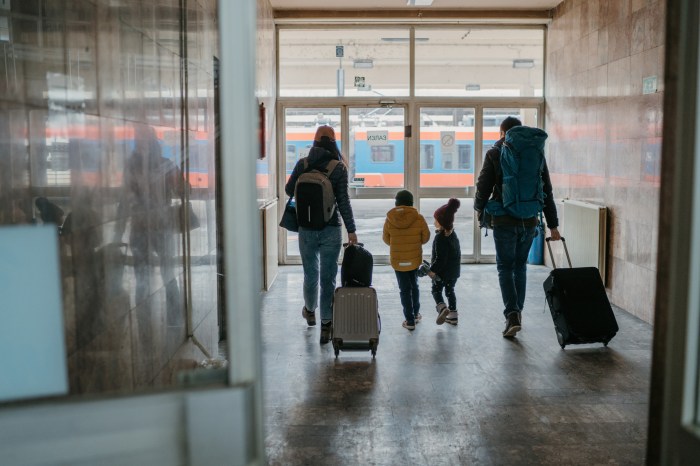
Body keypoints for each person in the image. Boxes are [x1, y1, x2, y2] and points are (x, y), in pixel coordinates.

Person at [474, 116, 561, 338]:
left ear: (503, 134)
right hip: (530, 220)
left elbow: (483, 185)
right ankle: (517, 313)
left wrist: (479, 211)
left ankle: (511, 314)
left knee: (505, 267)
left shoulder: (495, 153)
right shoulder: (536, 155)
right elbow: (547, 190)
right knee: (519, 267)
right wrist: (553, 225)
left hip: (504, 220)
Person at [285, 125, 358, 344]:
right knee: (328, 278)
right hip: (331, 229)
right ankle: (327, 324)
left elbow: (289, 191)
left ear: (315, 141)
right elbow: (343, 201)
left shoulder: (303, 163)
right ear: (333, 141)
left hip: (306, 228)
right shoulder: (338, 168)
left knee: (310, 274)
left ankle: (310, 311)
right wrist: (352, 231)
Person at [382, 189, 430, 331]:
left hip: (398, 260)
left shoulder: (389, 219)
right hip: (414, 259)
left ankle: (409, 321)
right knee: (414, 285)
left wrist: (397, 243)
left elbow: (386, 239)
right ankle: (415, 315)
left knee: (404, 289)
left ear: (397, 203)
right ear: (411, 203)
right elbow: (426, 237)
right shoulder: (419, 218)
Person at [428, 198, 462, 326]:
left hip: (441, 273)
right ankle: (453, 315)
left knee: (436, 290)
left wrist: (432, 270)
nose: (434, 221)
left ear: (440, 222)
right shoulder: (453, 235)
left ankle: (442, 309)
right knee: (450, 291)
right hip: (453, 272)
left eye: (435, 219)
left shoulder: (440, 238)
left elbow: (440, 259)